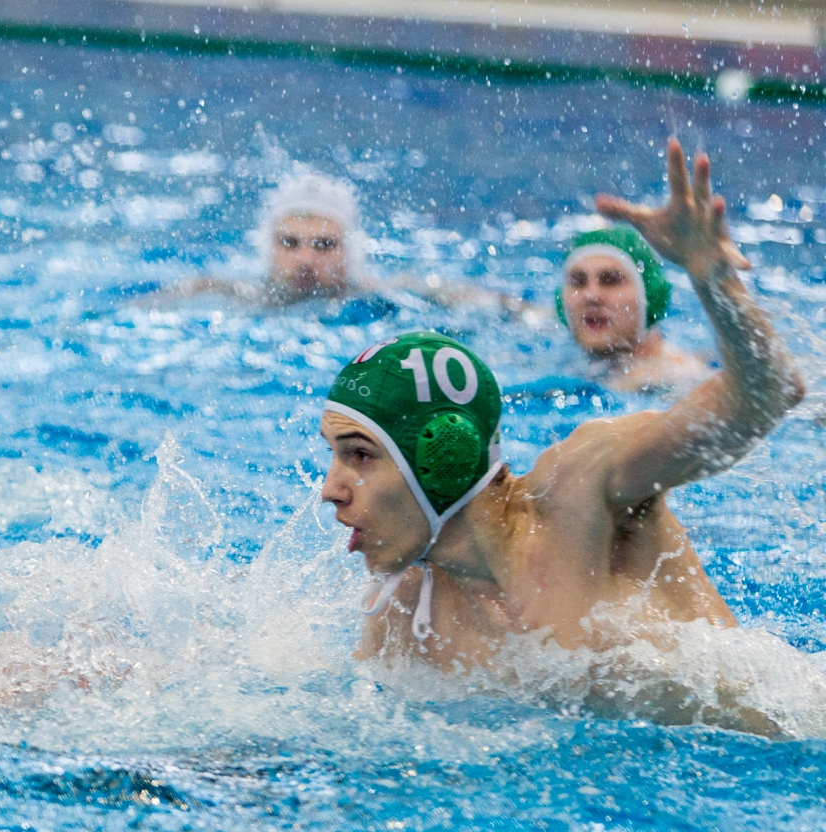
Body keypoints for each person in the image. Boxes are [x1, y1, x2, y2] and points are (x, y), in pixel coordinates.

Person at [316, 140, 803, 735]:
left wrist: (712, 277)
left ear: (444, 454)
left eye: (359, 455)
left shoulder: (584, 490)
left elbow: (766, 396)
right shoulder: (407, 614)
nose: (331, 489)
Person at [152, 170, 528, 322]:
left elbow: (463, 297)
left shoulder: (383, 296)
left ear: (350, 252)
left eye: (324, 245)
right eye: (290, 243)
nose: (305, 259)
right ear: (268, 247)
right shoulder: (223, 293)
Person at [556, 227, 711, 391]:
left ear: (648, 294)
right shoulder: (586, 364)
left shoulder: (677, 378)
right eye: (578, 282)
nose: (591, 296)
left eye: (611, 280)